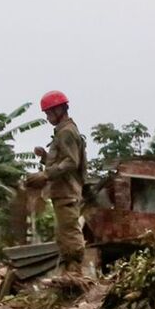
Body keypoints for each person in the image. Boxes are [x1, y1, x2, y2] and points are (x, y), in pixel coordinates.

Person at [25, 90, 88, 271]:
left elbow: (71, 162)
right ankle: (70, 273)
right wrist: (45, 157)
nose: (48, 117)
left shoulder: (66, 132)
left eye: (49, 113)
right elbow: (64, 161)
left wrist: (45, 175)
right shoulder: (64, 132)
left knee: (69, 233)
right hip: (62, 192)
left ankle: (75, 275)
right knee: (63, 235)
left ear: (60, 109)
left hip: (67, 192)